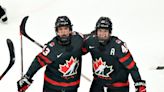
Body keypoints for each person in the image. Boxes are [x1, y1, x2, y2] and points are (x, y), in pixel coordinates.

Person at [17, 16, 85, 92]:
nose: (63, 32)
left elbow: (91, 40)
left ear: (70, 30)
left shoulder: (78, 39)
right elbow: (38, 61)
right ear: (57, 31)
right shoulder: (52, 47)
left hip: (72, 88)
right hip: (52, 87)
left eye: (66, 29)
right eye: (60, 29)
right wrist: (27, 77)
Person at [83, 17, 146, 92]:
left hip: (118, 86)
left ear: (110, 32)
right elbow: (77, 48)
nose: (102, 34)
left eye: (105, 31)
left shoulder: (118, 46)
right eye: (100, 30)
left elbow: (131, 67)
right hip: (99, 83)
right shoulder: (91, 41)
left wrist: (139, 83)